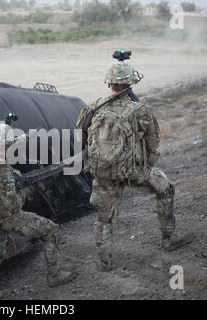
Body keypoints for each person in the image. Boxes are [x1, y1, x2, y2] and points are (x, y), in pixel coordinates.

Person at [77, 61, 195, 272]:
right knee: (165, 188)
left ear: (109, 83)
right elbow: (153, 142)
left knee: (105, 218)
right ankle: (169, 239)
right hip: (132, 170)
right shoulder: (140, 110)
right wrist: (147, 164)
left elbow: (83, 138)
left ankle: (105, 263)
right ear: (130, 83)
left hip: (104, 173)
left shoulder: (93, 107)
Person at [0, 122, 77, 300]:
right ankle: (54, 275)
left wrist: (27, 136)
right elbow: (13, 204)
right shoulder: (2, 168)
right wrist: (27, 191)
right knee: (50, 229)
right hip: (8, 215)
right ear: (6, 143)